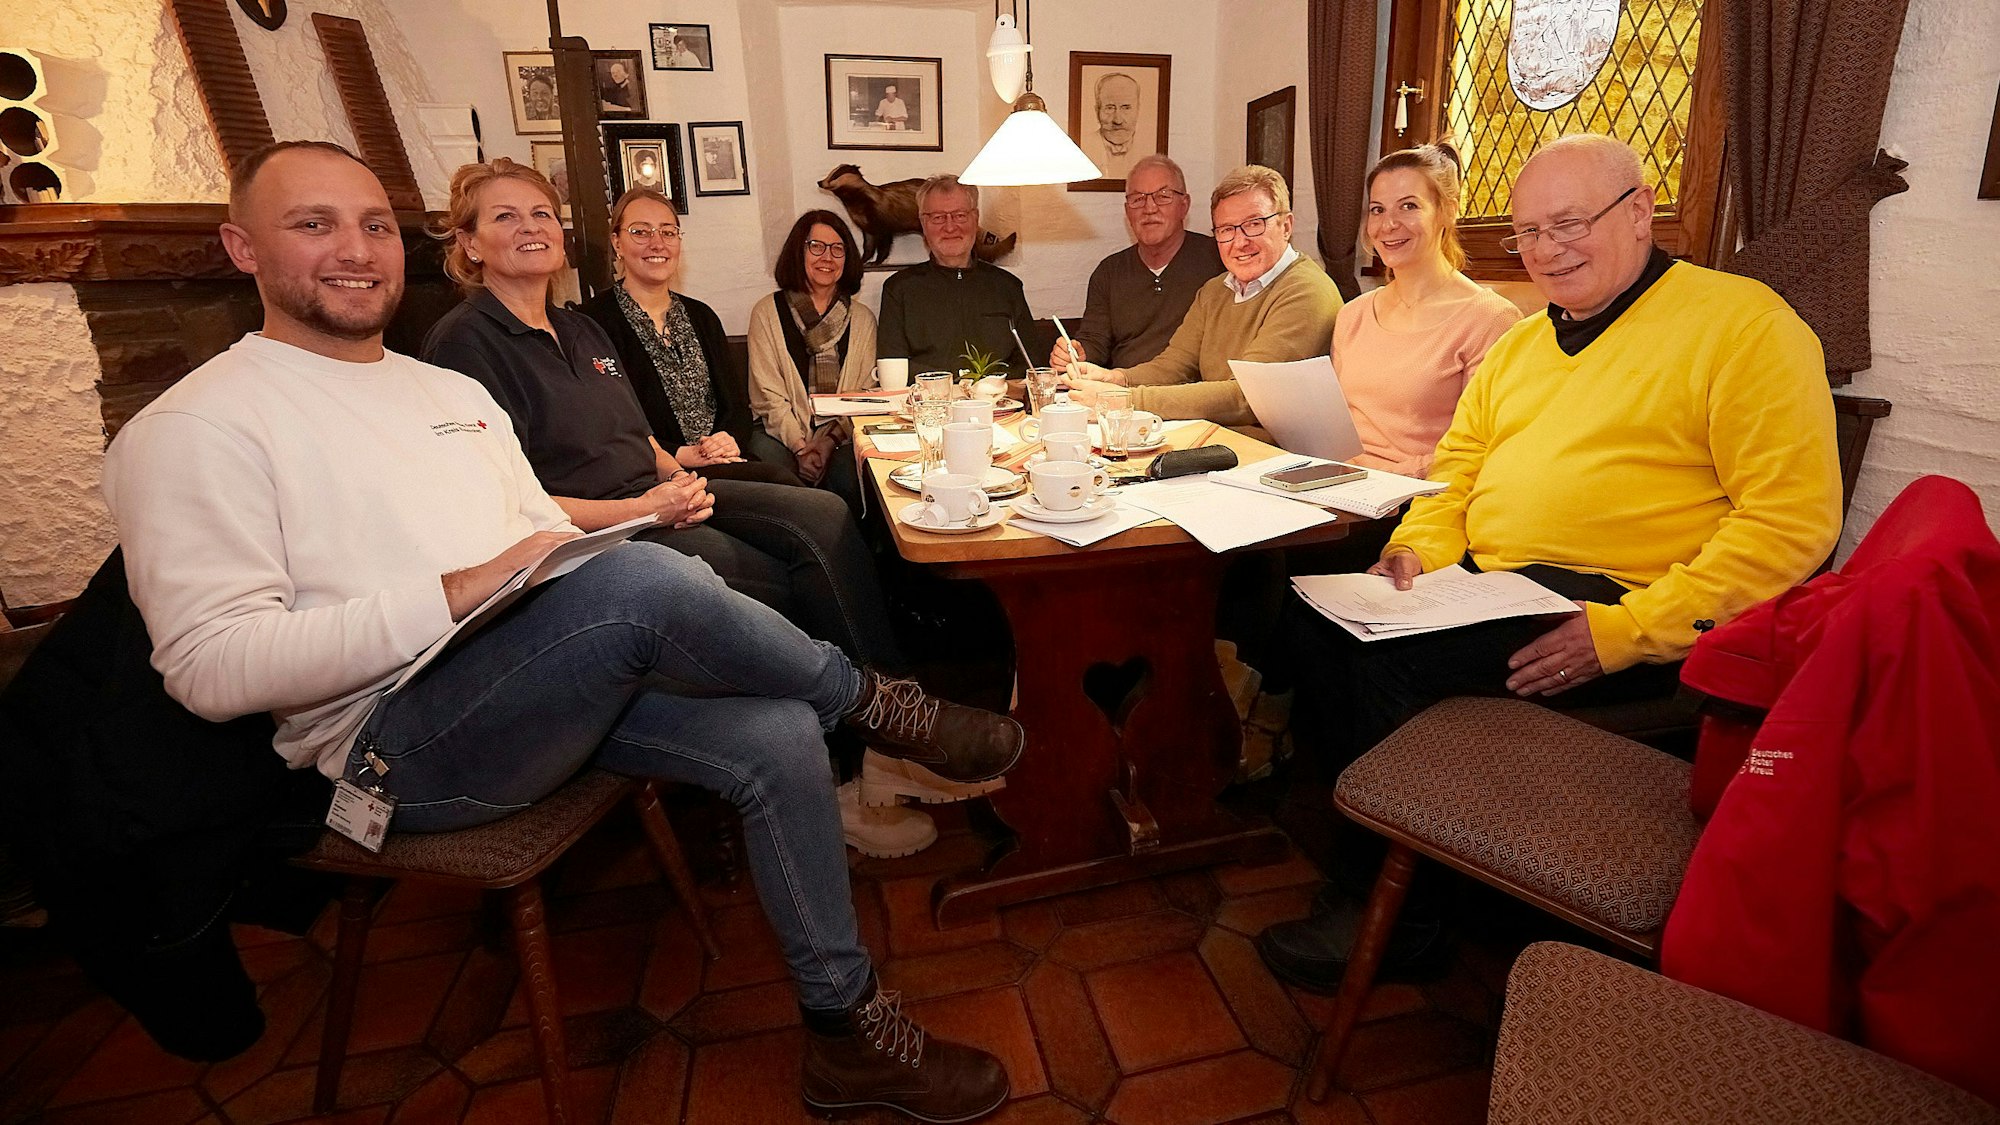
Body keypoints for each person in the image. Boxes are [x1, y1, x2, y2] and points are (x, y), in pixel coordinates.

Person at [101, 140, 1019, 1120]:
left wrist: (640, 512)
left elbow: (530, 539)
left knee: (775, 729)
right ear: (241, 246)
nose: (355, 250)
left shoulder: (445, 396)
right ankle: (881, 705)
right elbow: (206, 668)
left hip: (527, 677)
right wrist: (459, 589)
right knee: (641, 578)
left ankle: (845, 1034)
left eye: (372, 225)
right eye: (311, 224)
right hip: (390, 747)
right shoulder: (193, 427)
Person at [1255, 133, 1843, 993]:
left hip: (1628, 607)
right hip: (1489, 583)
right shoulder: (1526, 345)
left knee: (1385, 660)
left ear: (1640, 213)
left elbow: (1794, 526)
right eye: (1528, 233)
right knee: (1306, 616)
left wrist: (1624, 630)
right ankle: (1402, 860)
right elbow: (1455, 474)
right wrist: (1417, 549)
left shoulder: (1744, 325)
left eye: (1570, 223)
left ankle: (1404, 918)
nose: (1547, 250)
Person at [422, 166, 963, 857]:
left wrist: (684, 477)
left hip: (656, 493)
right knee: (778, 576)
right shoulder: (465, 343)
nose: (530, 228)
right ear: (468, 242)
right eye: (505, 218)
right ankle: (843, 776)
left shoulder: (577, 330)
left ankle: (894, 731)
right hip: (594, 532)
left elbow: (635, 435)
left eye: (540, 214)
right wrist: (641, 506)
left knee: (825, 515)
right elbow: (499, 501)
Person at [1067, 165, 1342, 432]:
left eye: (1254, 224)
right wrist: (1116, 378)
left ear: (1286, 226)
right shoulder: (1215, 290)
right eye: (1226, 229)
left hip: (1283, 461)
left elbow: (1247, 396)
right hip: (1219, 444)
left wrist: (1122, 400)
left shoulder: (1306, 290)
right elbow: (1174, 366)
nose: (1240, 241)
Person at [569, 188, 785, 484]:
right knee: (816, 507)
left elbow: (736, 406)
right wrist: (680, 454)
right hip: (653, 477)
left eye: (668, 232)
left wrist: (729, 439)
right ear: (617, 242)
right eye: (640, 232)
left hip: (724, 463)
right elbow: (605, 425)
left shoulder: (702, 316)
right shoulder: (589, 323)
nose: (657, 243)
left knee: (806, 498)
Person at [1337, 142, 1522, 477]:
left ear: (1447, 211)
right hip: (1340, 483)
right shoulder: (1353, 314)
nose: (1388, 224)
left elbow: (1485, 445)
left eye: (1408, 206)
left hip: (1418, 498)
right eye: (1377, 210)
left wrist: (1395, 475)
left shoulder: (1490, 319)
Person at [746, 210, 877, 513]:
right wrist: (801, 447)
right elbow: (767, 397)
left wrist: (828, 442)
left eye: (837, 249)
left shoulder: (863, 319)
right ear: (798, 251)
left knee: (851, 479)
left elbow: (863, 397)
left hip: (841, 437)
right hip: (777, 433)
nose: (826, 257)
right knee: (785, 485)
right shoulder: (767, 313)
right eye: (816, 246)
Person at [1049, 154, 1223, 371]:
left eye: (1163, 196)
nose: (1149, 208)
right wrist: (1075, 352)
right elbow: (1095, 341)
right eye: (1138, 199)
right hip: (1122, 393)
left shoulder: (1218, 259)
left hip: (1192, 394)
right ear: (1127, 211)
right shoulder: (1110, 272)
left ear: (1184, 205)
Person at [878, 175, 1033, 376]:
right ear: (923, 224)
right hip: (928, 403)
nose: (950, 227)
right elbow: (894, 369)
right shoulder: (899, 290)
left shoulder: (1007, 287)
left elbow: (1031, 364)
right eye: (938, 217)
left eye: (960, 215)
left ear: (975, 219)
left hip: (999, 402)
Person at [1085, 73, 1142, 180]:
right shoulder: (1082, 150)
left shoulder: (1148, 150)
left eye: (1126, 108)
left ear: (1138, 109)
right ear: (1097, 110)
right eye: (1110, 108)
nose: (1118, 120)